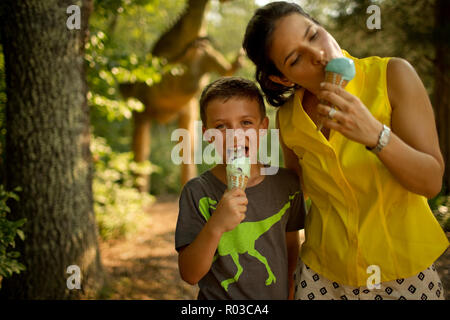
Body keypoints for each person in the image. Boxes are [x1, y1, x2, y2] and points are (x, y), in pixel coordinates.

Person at [242, 1, 449, 300]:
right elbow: (297, 197)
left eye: (313, 35)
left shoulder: (392, 76)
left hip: (403, 274)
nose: (319, 55)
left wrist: (376, 135)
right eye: (296, 58)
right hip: (320, 276)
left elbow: (431, 182)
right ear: (283, 78)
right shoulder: (288, 118)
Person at [175, 76, 306, 299]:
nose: (235, 136)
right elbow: (190, 274)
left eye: (246, 123)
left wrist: (291, 293)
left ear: (263, 128)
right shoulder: (197, 192)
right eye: (221, 127)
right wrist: (216, 225)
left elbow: (291, 249)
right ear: (207, 135)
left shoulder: (287, 184)